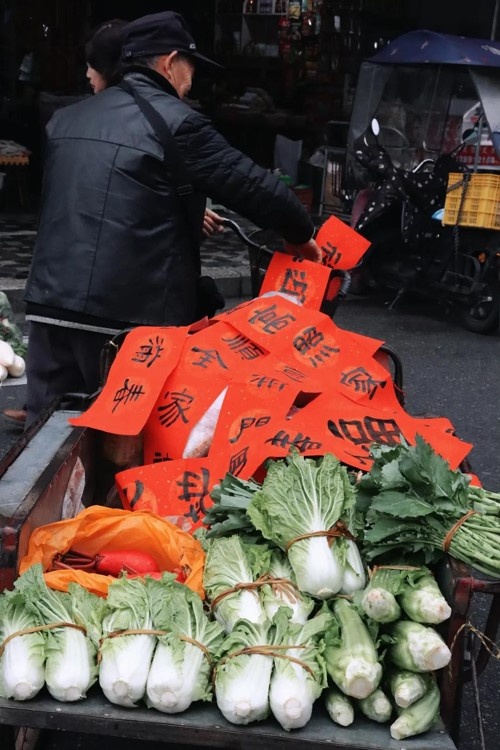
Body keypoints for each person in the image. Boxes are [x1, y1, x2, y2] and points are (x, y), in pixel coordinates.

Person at [22, 10, 322, 427]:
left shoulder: (66, 120)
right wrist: (301, 234)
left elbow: (98, 197)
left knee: (44, 435)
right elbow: (255, 187)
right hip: (127, 317)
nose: (191, 80)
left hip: (48, 304)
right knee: (127, 433)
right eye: (191, 67)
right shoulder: (178, 122)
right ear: (170, 62)